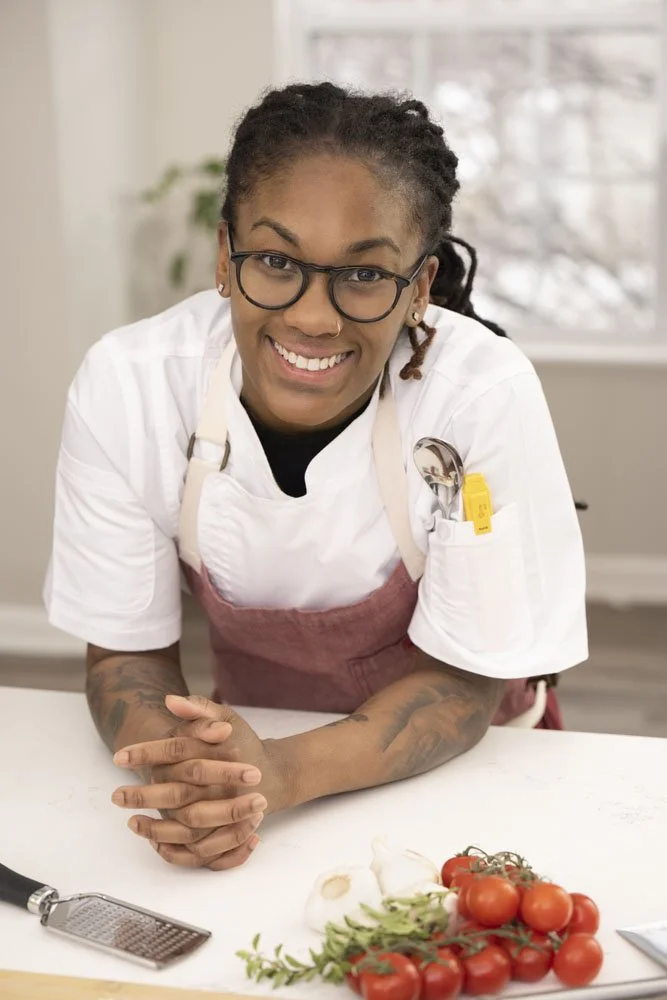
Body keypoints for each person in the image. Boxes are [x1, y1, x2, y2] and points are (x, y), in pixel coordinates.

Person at [44, 83, 587, 872]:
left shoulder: (479, 395)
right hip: (250, 768)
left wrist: (280, 776)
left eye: (363, 276)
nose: (312, 317)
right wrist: (192, 783)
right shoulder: (130, 384)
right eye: (274, 261)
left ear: (420, 287)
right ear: (224, 258)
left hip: (464, 785)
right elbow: (126, 653)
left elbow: (463, 684)